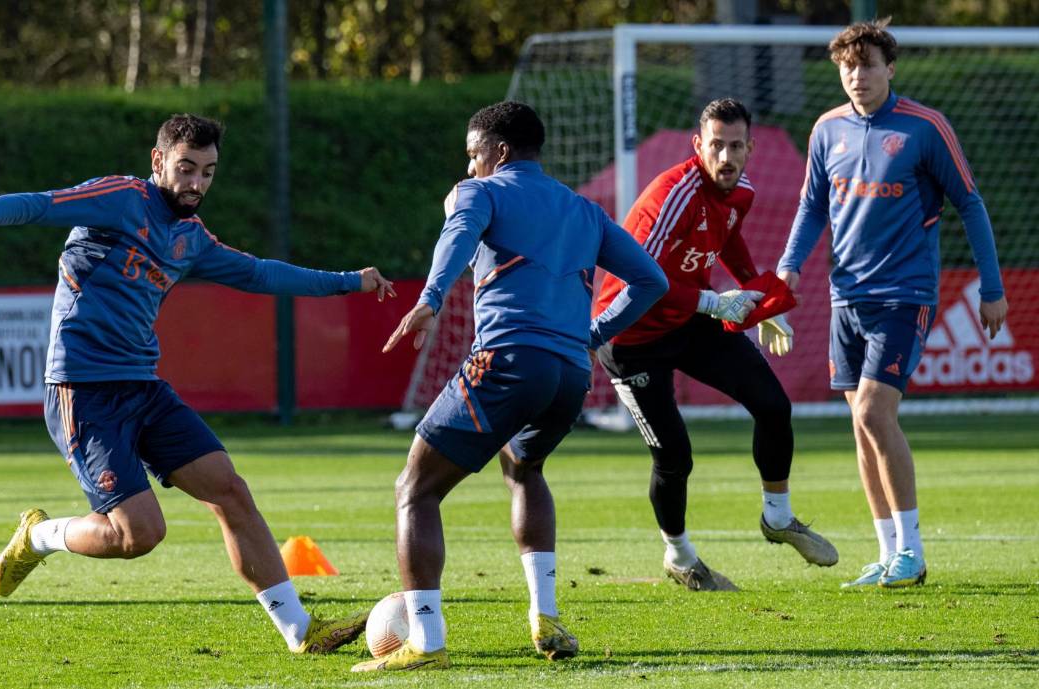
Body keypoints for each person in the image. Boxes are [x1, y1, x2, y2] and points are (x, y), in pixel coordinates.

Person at [0, 114, 396, 653]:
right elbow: (39, 204)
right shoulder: (122, 198)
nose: (196, 184)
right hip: (83, 389)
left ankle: (300, 632)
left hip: (144, 386)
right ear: (158, 161)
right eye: (186, 169)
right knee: (138, 536)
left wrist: (348, 282)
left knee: (229, 490)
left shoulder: (190, 239)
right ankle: (41, 536)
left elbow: (259, 274)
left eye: (208, 173)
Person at [351, 101, 669, 672]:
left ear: (497, 152)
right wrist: (593, 333)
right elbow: (652, 280)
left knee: (415, 489)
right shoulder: (584, 210)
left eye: (473, 155)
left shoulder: (482, 191)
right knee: (524, 467)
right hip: (571, 373)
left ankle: (425, 641)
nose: (469, 167)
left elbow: (457, 235)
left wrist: (429, 300)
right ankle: (544, 616)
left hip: (506, 361)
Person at [778, 20, 1007, 588]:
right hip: (844, 298)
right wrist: (788, 265)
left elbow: (970, 203)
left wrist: (992, 286)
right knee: (861, 429)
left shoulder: (924, 128)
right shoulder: (827, 129)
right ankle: (886, 554)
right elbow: (812, 208)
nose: (858, 76)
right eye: (848, 67)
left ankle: (914, 552)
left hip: (905, 295)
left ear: (890, 69)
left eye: (868, 65)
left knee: (874, 414)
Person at [592, 98, 838, 593]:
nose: (726, 157)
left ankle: (779, 517)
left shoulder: (739, 190)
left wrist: (757, 297)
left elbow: (727, 236)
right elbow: (644, 279)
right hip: (631, 334)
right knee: (675, 458)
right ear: (698, 146)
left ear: (750, 148)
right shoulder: (675, 195)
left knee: (772, 404)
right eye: (716, 146)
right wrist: (714, 302)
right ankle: (681, 557)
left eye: (735, 147)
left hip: (688, 319)